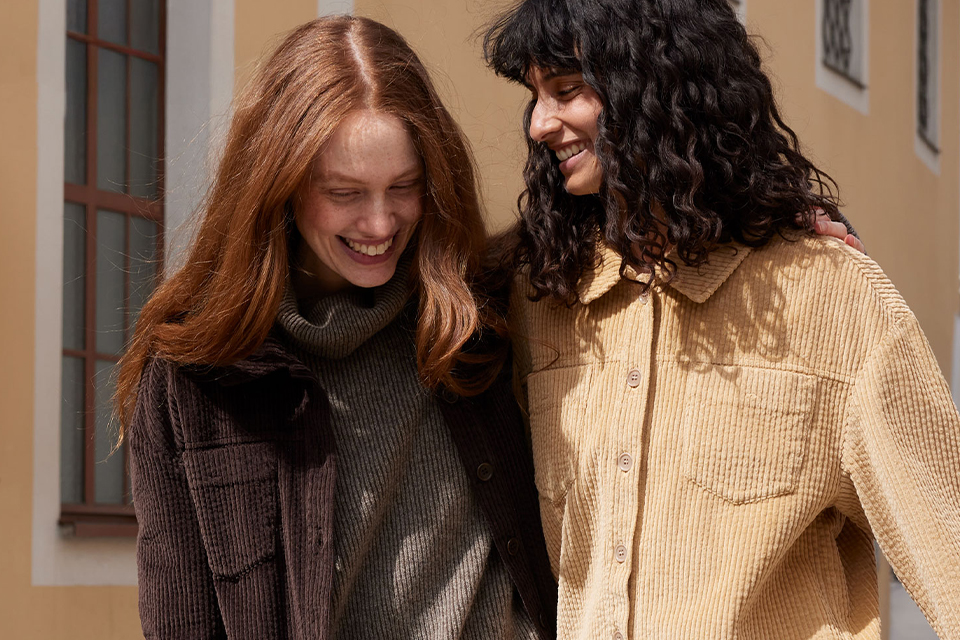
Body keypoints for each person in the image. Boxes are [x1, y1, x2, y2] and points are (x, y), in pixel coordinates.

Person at [483, 1, 960, 639]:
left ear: (653, 87)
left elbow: (948, 546)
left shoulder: (834, 299)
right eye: (535, 96)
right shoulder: (540, 298)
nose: (540, 124)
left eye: (567, 91)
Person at [117, 16, 558, 639]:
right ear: (281, 185)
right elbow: (179, 620)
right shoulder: (194, 373)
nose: (380, 224)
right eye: (345, 193)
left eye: (403, 187)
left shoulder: (478, 316)